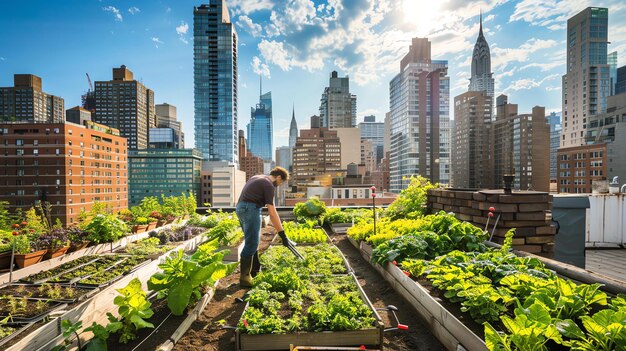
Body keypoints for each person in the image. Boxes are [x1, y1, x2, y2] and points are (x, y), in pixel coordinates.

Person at [235, 166, 290, 287]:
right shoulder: (268, 185)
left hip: (240, 208)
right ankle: (244, 278)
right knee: (252, 243)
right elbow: (272, 213)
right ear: (279, 177)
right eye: (280, 182)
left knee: (252, 240)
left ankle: (254, 269)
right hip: (250, 209)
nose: (278, 185)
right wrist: (282, 234)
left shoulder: (257, 177)